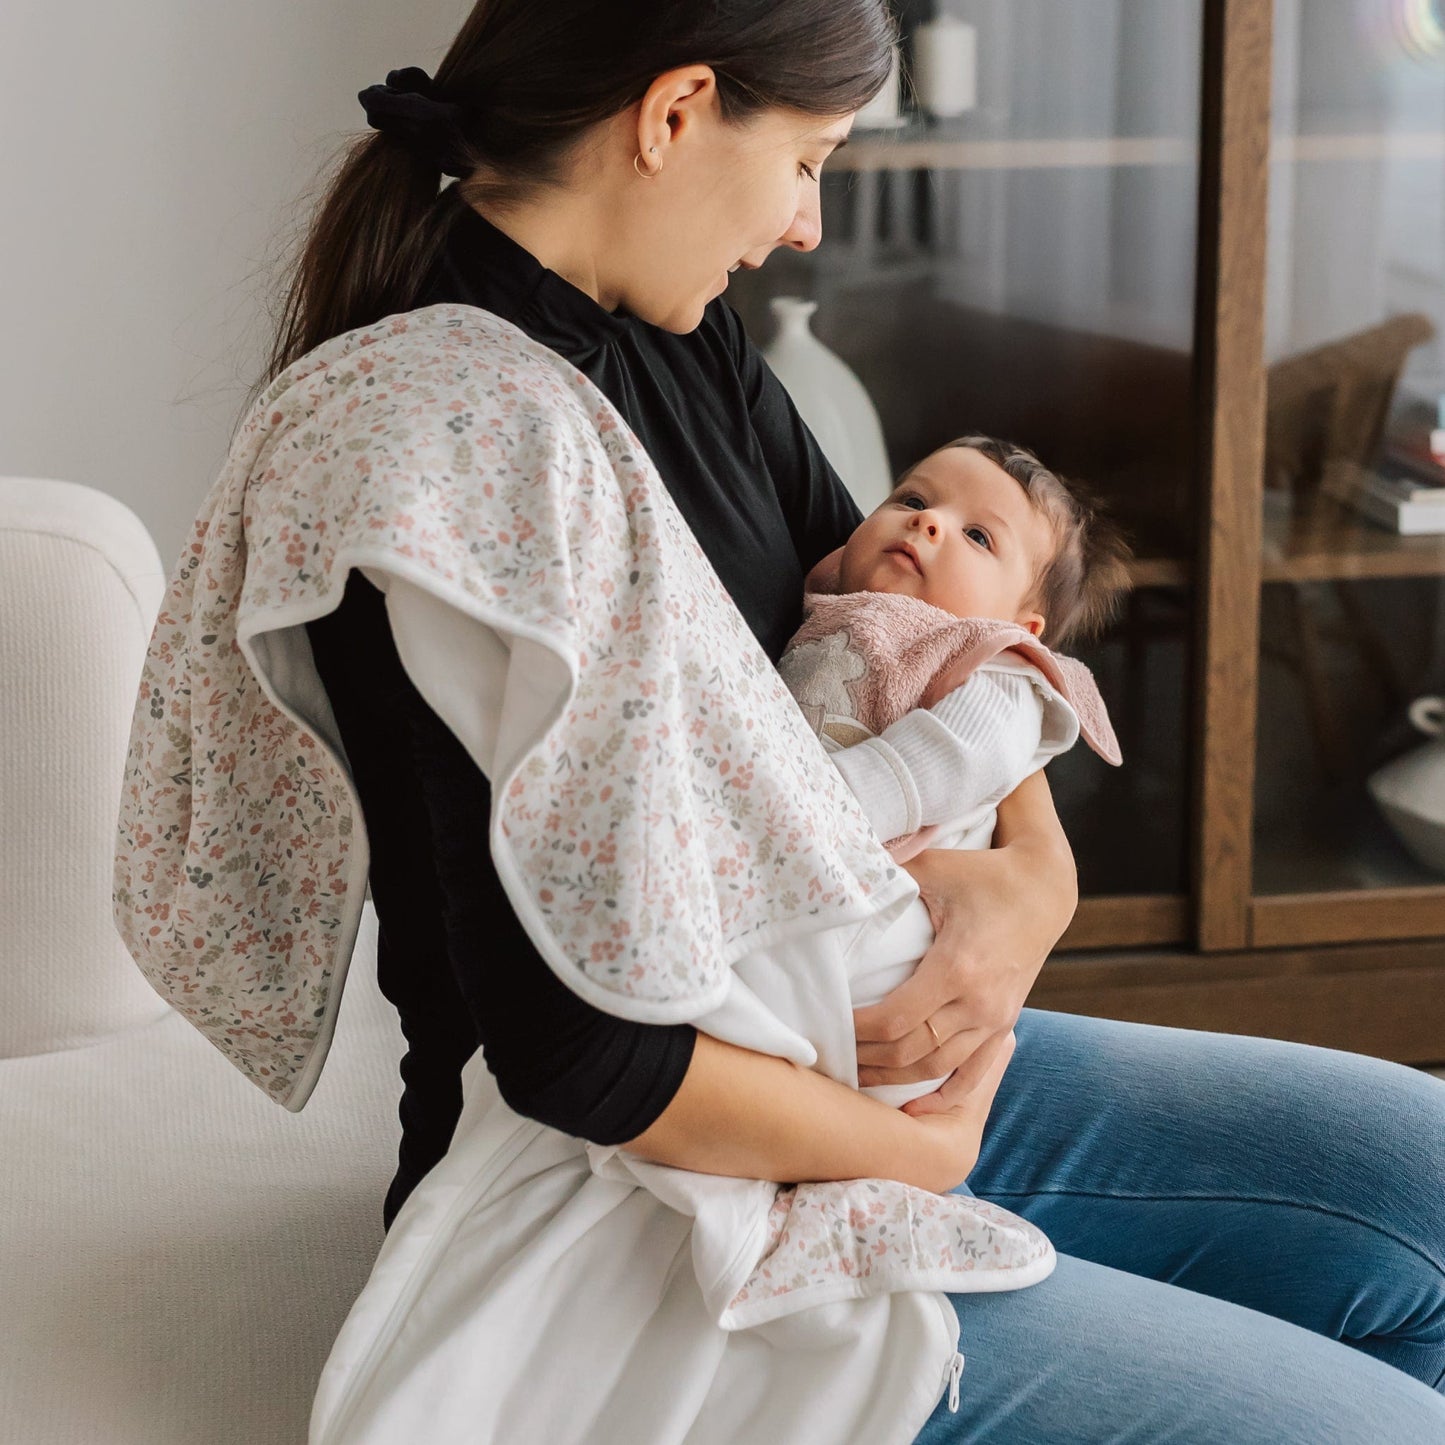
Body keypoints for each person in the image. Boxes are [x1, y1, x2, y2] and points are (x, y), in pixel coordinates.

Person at [261, 1, 1445, 1438]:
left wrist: (1033, 881)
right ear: (676, 112)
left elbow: (936, 639)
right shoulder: (461, 451)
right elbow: (584, 1062)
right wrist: (919, 1154)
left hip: (838, 1048)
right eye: (812, 158)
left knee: (1423, 1184)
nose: (807, 227)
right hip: (636, 1190)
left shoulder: (672, 331)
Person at [780, 434, 1129, 1108]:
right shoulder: (833, 607)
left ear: (1022, 624)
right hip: (803, 916)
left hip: (893, 970)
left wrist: (821, 807)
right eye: (911, 498)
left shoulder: (991, 661)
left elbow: (963, 753)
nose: (926, 520)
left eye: (977, 536)